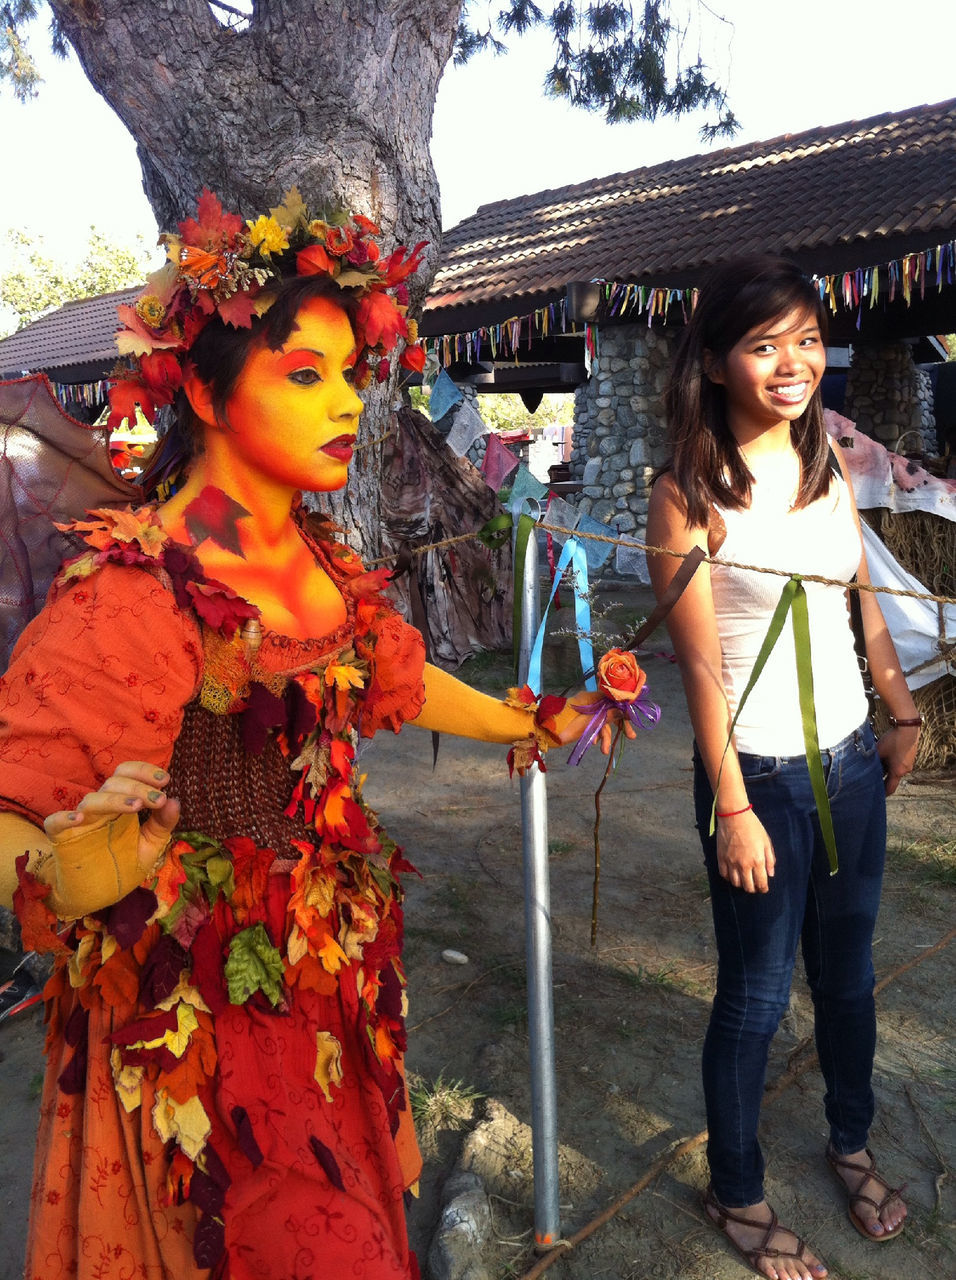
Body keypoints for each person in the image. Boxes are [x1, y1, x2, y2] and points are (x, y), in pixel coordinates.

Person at [0, 191, 589, 1280]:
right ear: (207, 393)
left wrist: (524, 716)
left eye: (350, 374)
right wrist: (74, 866)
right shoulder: (132, 594)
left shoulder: (318, 557)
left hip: (323, 973)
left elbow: (397, 678)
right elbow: (15, 806)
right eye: (302, 373)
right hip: (195, 1011)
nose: (346, 403)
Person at [646, 256, 920, 1280]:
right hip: (753, 774)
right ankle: (737, 1186)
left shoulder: (827, 470)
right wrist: (729, 807)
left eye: (806, 338)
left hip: (850, 764)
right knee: (755, 997)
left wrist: (897, 711)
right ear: (715, 362)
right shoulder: (683, 493)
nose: (792, 362)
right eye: (764, 343)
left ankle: (848, 1139)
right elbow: (701, 671)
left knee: (846, 979)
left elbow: (860, 606)